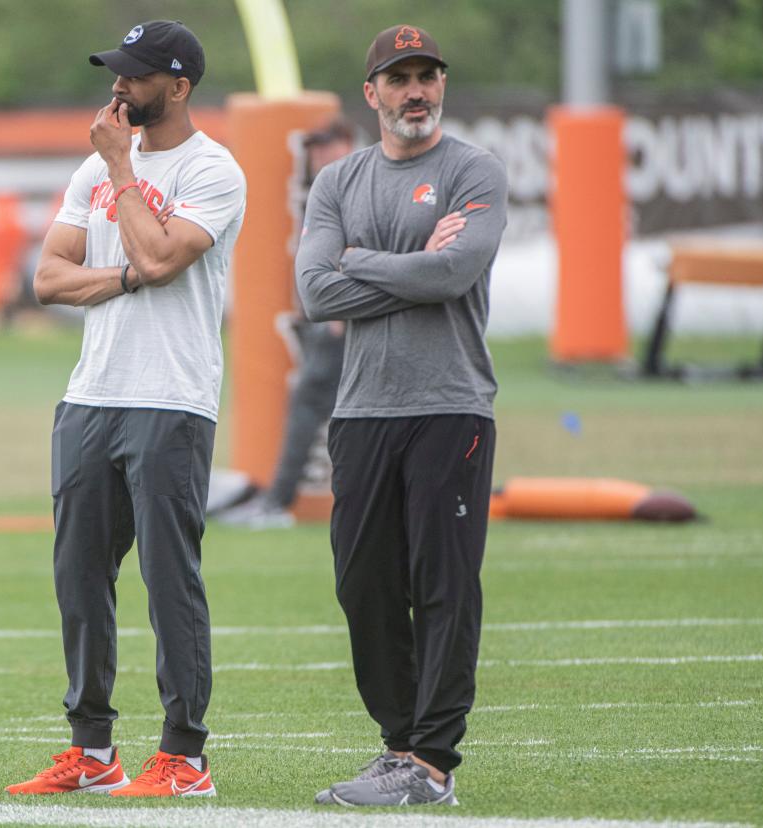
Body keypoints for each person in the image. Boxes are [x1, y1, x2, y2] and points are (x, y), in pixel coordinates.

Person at [4, 20, 245, 799]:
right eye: (117, 72)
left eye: (136, 76)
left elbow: (158, 253)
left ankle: (185, 758)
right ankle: (94, 751)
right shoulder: (93, 169)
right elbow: (48, 279)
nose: (119, 86)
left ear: (178, 87)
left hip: (170, 400)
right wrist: (129, 279)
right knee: (79, 578)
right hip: (89, 398)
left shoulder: (214, 170)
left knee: (170, 580)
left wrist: (122, 174)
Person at [295, 25, 508, 807]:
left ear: (441, 85)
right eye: (400, 78)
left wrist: (360, 261)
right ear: (372, 94)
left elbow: (456, 270)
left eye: (427, 76)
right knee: (363, 583)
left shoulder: (474, 170)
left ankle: (432, 762)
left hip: (450, 404)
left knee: (442, 580)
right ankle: (396, 746)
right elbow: (315, 294)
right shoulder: (338, 183)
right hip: (362, 411)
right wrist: (412, 270)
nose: (416, 90)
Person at [217, 119, 355, 529]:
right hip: (326, 320)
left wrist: (341, 312)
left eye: (327, 147)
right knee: (336, 415)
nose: (319, 156)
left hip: (338, 323)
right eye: (315, 149)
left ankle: (277, 501)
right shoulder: (329, 187)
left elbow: (356, 246)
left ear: (347, 144)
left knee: (313, 410)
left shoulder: (352, 184)